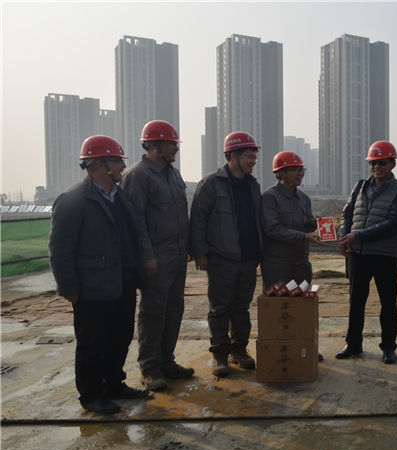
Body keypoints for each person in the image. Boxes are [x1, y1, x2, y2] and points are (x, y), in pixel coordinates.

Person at [48, 135, 150, 414]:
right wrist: (69, 286)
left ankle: (113, 384)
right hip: (92, 287)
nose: (122, 167)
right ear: (98, 164)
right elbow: (59, 249)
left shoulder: (121, 197)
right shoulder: (72, 200)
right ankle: (92, 395)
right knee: (92, 344)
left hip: (123, 283)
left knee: (120, 338)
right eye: (117, 161)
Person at [120, 120, 193, 391]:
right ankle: (149, 368)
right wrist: (146, 255)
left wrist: (187, 245)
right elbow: (135, 220)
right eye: (171, 144)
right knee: (153, 311)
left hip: (177, 254)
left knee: (174, 309)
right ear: (154, 145)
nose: (176, 148)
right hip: (156, 256)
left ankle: (166, 362)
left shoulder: (173, 174)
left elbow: (180, 214)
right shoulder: (138, 175)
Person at [189, 131, 264, 377]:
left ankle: (239, 350)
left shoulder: (253, 185)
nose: (253, 161)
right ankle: (220, 354)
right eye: (249, 156)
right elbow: (197, 220)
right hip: (221, 258)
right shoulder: (211, 183)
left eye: (255, 156)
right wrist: (200, 253)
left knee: (242, 307)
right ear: (233, 156)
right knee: (220, 308)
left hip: (248, 258)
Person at [336, 141, 397, 364]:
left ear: (392, 164)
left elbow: (394, 223)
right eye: (372, 163)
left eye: (381, 163)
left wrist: (358, 236)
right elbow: (347, 213)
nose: (376, 167)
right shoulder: (360, 186)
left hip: (385, 255)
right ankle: (353, 343)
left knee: (387, 302)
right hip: (358, 255)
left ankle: (388, 346)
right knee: (356, 301)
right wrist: (345, 235)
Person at [260, 150, 324, 362]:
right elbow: (272, 229)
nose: (300, 173)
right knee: (278, 310)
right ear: (281, 173)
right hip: (278, 266)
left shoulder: (303, 198)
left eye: (301, 169)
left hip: (301, 264)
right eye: (295, 170)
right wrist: (304, 236)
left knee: (302, 308)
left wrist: (312, 224)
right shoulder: (270, 198)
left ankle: (305, 346)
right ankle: (277, 352)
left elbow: (302, 224)